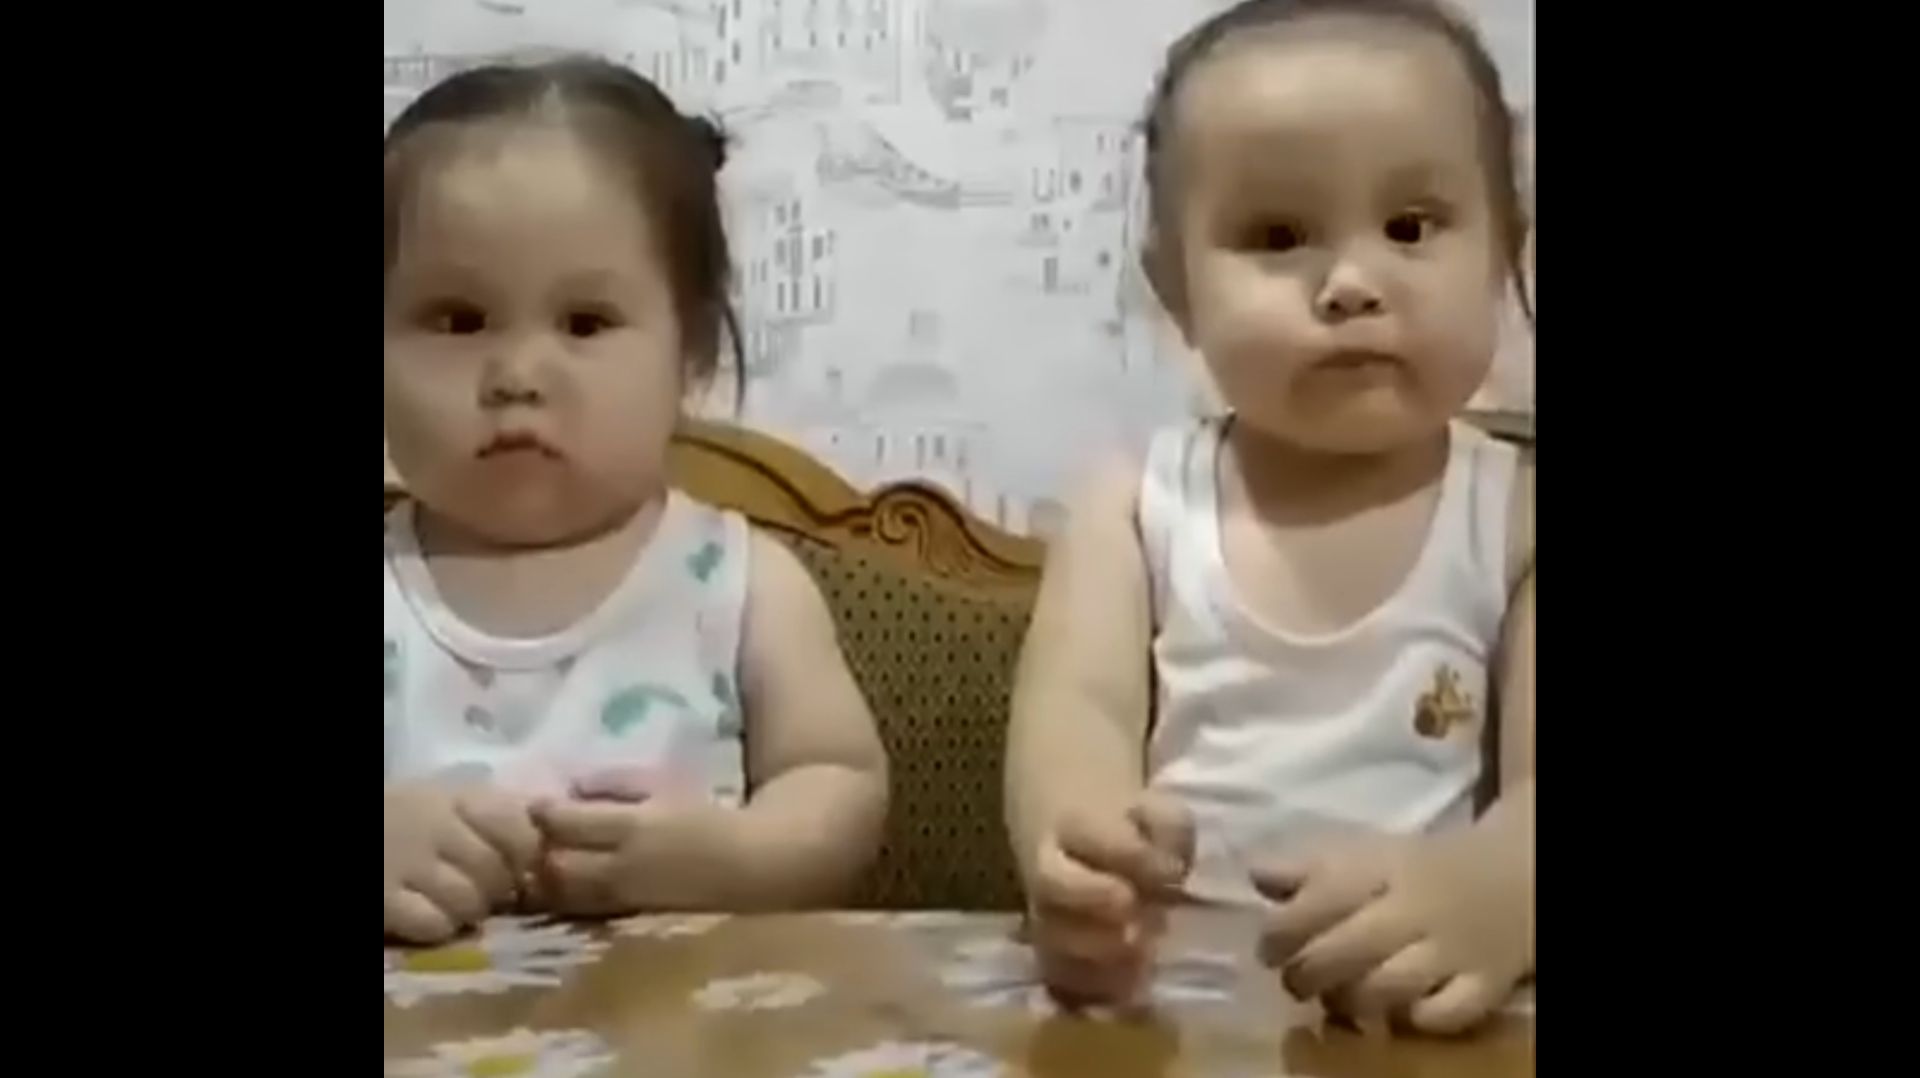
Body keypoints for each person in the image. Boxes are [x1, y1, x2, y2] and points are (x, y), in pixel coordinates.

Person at [1006, 0, 1534, 1034]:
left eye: (1411, 227)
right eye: (1278, 236)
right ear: (1176, 290)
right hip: (1166, 1012)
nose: (1350, 284)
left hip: (1415, 1011)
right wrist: (1077, 856)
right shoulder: (1135, 507)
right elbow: (1079, 716)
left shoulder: (1514, 518)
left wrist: (1499, 890)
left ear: (1504, 251)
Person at [382, 57, 887, 943]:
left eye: (584, 323)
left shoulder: (739, 584)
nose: (517, 374)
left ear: (691, 353)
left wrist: (734, 859)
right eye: (459, 320)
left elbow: (840, 783)